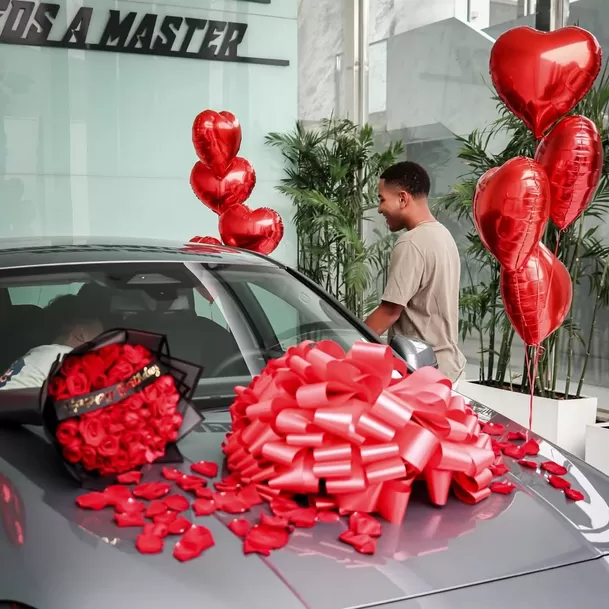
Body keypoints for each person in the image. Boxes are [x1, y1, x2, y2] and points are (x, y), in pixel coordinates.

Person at [364, 161, 466, 385]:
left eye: (382, 199)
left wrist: (350, 344)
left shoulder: (411, 242)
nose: (379, 208)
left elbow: (389, 312)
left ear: (402, 198)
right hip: (448, 367)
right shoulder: (443, 235)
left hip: (423, 374)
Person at [0, 294, 103, 390]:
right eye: (98, 339)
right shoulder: (61, 358)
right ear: (80, 335)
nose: (100, 348)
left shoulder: (44, 355)